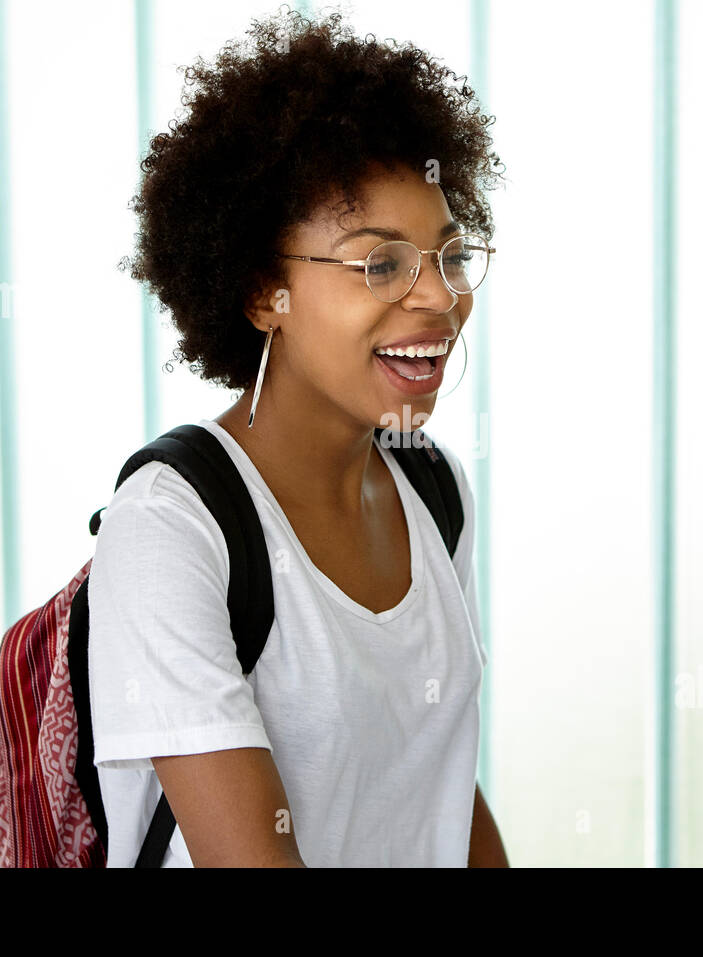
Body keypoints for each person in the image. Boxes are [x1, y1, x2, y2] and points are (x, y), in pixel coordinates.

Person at [87, 7, 508, 867]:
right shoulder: (173, 526)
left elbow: (436, 783)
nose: (438, 299)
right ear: (259, 292)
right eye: (380, 263)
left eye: (448, 257)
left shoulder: (433, 488)